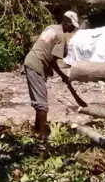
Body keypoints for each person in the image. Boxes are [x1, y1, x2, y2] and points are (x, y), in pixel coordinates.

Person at [23, 11, 79, 140]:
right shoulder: (61, 35)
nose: (72, 29)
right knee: (42, 102)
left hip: (31, 60)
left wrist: (51, 70)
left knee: (39, 97)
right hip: (37, 63)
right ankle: (42, 137)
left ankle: (37, 128)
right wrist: (62, 75)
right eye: (72, 26)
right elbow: (53, 59)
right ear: (66, 22)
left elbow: (46, 50)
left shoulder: (51, 28)